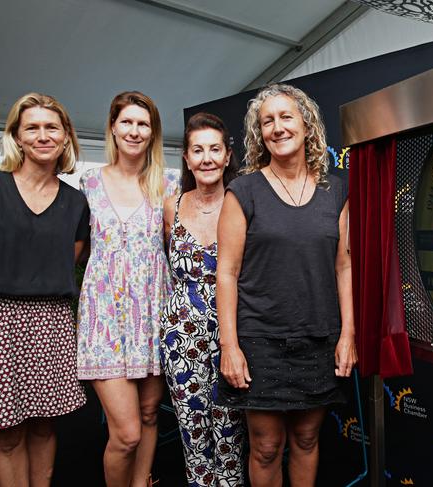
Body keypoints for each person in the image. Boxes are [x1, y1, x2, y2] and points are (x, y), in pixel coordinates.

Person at [216, 83, 357, 487]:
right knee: (265, 446)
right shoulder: (243, 191)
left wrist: (348, 333)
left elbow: (344, 265)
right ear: (259, 134)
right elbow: (225, 273)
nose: (277, 128)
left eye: (286, 117)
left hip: (319, 337)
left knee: (308, 437)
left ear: (307, 125)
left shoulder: (336, 190)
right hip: (260, 339)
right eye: (267, 122)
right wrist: (230, 346)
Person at [0, 93, 89, 486]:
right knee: (7, 432)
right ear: (16, 137)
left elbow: (67, 259)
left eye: (51, 127)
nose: (42, 135)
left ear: (66, 137)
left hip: (52, 322)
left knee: (44, 427)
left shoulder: (76, 203)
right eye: (31, 127)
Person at [77, 91, 178, 487]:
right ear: (113, 128)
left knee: (151, 414)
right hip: (104, 322)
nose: (134, 131)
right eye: (127, 122)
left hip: (154, 314)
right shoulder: (87, 183)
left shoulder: (169, 184)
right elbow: (73, 250)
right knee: (126, 432)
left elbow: (179, 248)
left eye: (143, 124)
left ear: (152, 133)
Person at [161, 112, 245, 486]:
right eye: (198, 150)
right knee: (192, 431)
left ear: (228, 156)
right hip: (181, 338)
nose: (207, 158)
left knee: (231, 431)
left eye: (215, 149)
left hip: (233, 334)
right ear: (186, 157)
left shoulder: (244, 202)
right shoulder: (171, 207)